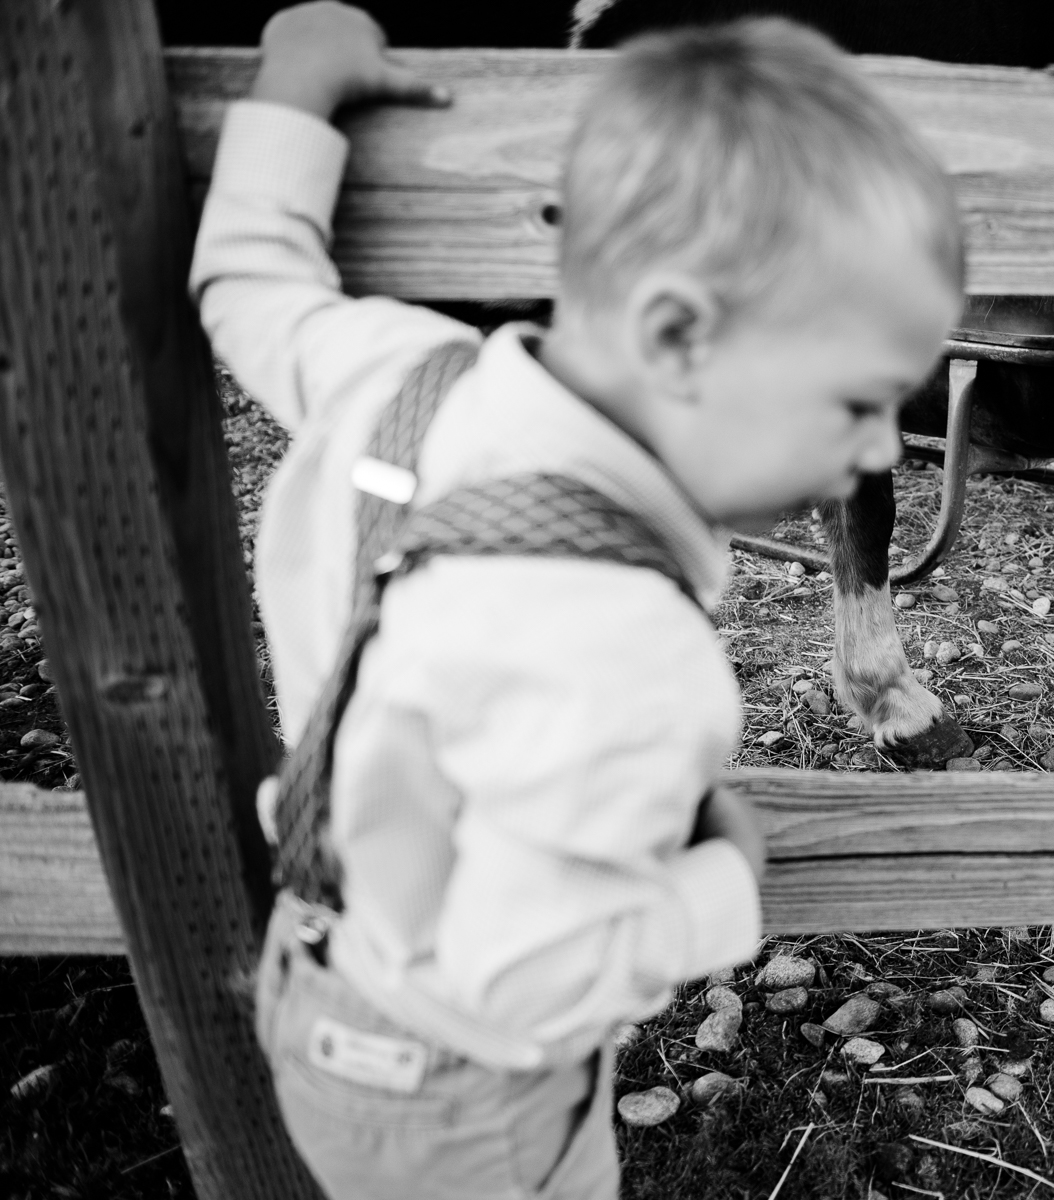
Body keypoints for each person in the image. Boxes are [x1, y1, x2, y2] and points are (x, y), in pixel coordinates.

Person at [190, 4, 965, 1196]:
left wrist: (293, 96)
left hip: (321, 985)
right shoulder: (622, 654)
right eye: (862, 403)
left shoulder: (407, 378)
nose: (879, 456)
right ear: (677, 334)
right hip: (468, 1091)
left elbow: (248, 284)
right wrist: (720, 891)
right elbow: (521, 980)